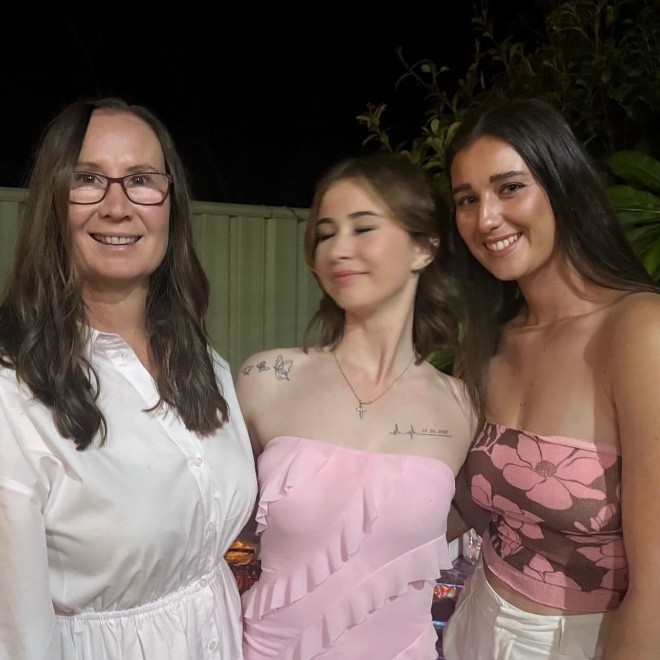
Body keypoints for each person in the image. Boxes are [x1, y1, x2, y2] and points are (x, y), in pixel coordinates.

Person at [0, 97, 258, 660]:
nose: (117, 207)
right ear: (52, 204)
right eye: (88, 179)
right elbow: (15, 634)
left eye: (140, 180)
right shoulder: (11, 393)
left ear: (171, 203)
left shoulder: (203, 363)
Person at [441, 97, 660, 659]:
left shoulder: (639, 331)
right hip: (476, 624)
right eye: (467, 200)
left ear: (562, 186)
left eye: (510, 187)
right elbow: (459, 506)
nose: (485, 219)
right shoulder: (489, 343)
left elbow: (656, 589)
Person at [236, 152, 477, 659]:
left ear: (424, 247)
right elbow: (213, 521)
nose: (339, 249)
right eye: (325, 234)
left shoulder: (463, 406)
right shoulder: (267, 380)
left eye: (363, 228)